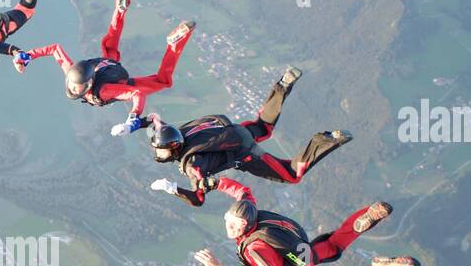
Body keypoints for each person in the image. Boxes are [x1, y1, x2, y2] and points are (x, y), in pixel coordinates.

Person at [196, 176, 420, 266]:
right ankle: (364, 219)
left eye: (235, 225)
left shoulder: (254, 249)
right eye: (228, 220)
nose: (229, 227)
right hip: (303, 251)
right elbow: (242, 191)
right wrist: (215, 183)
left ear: (245, 224)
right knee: (333, 245)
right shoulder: (252, 211)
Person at [141, 66, 353, 204]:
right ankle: (282, 87)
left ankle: (322, 141)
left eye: (160, 150)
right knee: (263, 127)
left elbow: (197, 199)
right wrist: (141, 123)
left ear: (174, 148)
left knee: (291, 175)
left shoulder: (191, 164)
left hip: (244, 152)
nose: (158, 153)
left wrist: (172, 189)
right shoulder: (182, 132)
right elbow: (160, 126)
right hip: (235, 132)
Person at [17, 0, 194, 133]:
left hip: (117, 78)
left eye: (78, 87)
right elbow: (55, 50)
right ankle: (120, 7)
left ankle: (174, 44)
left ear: (89, 83)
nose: (75, 89)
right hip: (106, 64)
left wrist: (133, 117)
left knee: (163, 81)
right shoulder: (72, 72)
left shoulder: (104, 90)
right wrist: (28, 56)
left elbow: (136, 93)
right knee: (111, 42)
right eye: (74, 86)